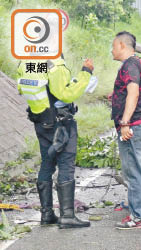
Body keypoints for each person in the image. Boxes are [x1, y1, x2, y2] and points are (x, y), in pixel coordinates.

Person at [16, 56, 94, 229]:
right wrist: (86, 73)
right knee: (66, 164)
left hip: (41, 121)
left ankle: (47, 214)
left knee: (47, 163)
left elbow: (22, 88)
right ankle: (67, 216)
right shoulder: (53, 64)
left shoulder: (26, 63)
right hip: (60, 123)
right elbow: (67, 94)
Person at [110, 31, 141, 229]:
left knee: (133, 172)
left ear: (121, 45)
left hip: (133, 126)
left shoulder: (130, 65)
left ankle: (139, 217)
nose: (112, 50)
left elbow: (133, 93)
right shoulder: (139, 64)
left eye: (113, 46)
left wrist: (125, 122)